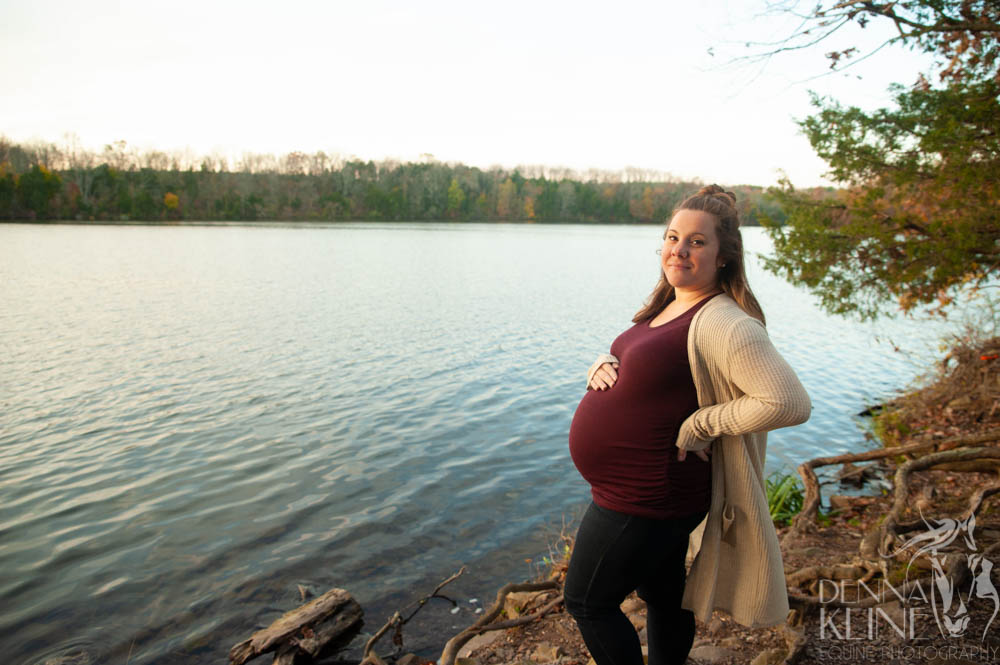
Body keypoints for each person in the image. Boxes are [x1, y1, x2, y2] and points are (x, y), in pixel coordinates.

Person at [563, 185, 811, 665]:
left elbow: (788, 402)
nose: (679, 249)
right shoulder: (670, 304)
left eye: (697, 241)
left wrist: (704, 423)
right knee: (664, 595)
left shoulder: (726, 322)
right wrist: (604, 364)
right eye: (673, 237)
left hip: (646, 496)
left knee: (587, 602)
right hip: (648, 493)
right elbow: (656, 367)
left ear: (724, 255)